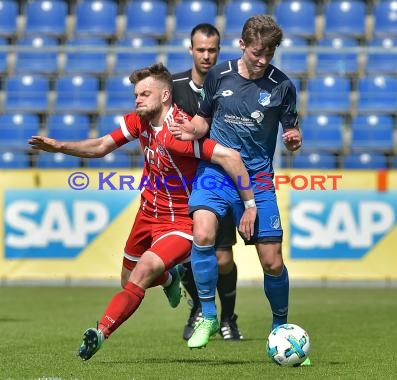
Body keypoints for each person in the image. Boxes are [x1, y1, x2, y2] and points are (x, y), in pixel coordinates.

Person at [28, 63, 256, 361]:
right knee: (128, 280)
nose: (137, 99)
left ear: (164, 96)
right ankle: (171, 280)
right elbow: (99, 146)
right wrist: (59, 147)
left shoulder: (179, 132)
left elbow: (228, 156)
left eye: (144, 94)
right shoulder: (140, 122)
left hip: (179, 222)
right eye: (136, 94)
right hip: (146, 215)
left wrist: (248, 205)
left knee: (143, 272)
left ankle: (100, 332)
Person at [170, 15, 309, 365]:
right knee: (201, 232)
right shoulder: (219, 76)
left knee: (272, 261)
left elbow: (291, 129)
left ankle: (281, 330)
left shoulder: (283, 86)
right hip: (216, 172)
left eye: (270, 53)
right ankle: (207, 314)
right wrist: (190, 128)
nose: (263, 60)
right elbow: (203, 120)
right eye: (258, 52)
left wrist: (293, 138)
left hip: (258, 177)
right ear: (243, 45)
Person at [172, 23, 244, 341]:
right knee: (185, 254)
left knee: (223, 258)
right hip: (181, 183)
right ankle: (201, 310)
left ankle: (228, 318)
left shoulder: (231, 84)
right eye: (200, 49)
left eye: (211, 50)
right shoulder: (173, 87)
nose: (206, 55)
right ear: (190, 50)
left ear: (218, 50)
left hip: (217, 180)